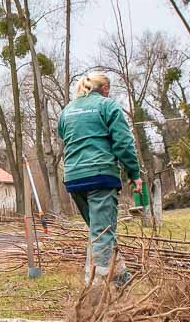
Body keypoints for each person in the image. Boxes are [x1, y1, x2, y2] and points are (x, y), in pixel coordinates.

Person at [56, 72, 143, 285]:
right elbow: (123, 143)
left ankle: (121, 277)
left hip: (74, 178)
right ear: (104, 88)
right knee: (102, 232)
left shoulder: (66, 112)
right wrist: (134, 174)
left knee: (98, 230)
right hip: (100, 176)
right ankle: (95, 291)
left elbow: (64, 137)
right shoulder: (108, 106)